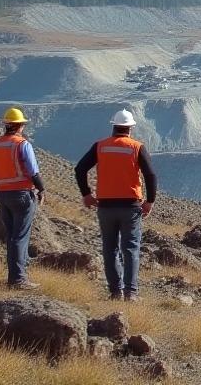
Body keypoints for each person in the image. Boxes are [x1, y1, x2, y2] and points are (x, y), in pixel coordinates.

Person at [76, 110, 158, 301]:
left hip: (106, 206)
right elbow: (150, 175)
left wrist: (86, 194)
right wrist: (150, 201)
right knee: (130, 249)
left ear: (113, 126)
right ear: (130, 128)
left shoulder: (100, 146)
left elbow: (80, 169)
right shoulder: (136, 147)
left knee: (110, 248)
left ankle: (115, 292)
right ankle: (131, 293)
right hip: (130, 206)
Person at [0, 107, 46, 290]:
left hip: (1, 195)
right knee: (20, 236)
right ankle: (18, 279)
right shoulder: (22, 144)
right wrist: (41, 189)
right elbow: (33, 171)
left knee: (12, 236)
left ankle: (15, 276)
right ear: (20, 125)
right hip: (21, 195)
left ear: (6, 125)